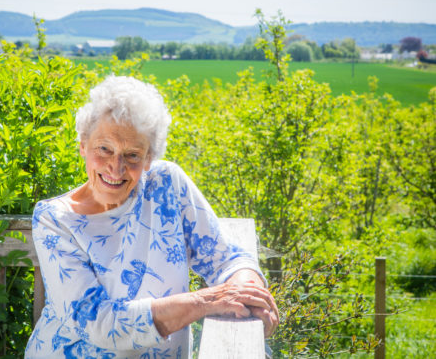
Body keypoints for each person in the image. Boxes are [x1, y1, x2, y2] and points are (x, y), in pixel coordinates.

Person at [24, 76, 278, 358]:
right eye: (104, 149)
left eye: (132, 155)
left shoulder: (167, 184)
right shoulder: (54, 219)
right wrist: (206, 301)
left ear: (148, 158)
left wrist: (249, 296)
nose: (116, 167)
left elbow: (226, 258)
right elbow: (97, 322)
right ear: (83, 145)